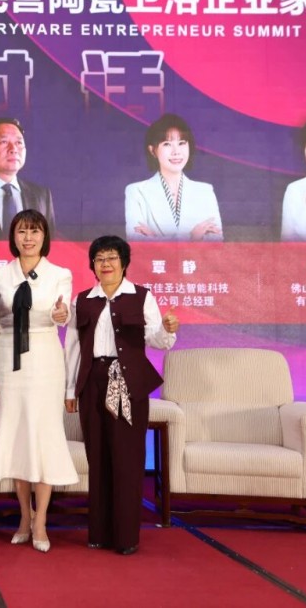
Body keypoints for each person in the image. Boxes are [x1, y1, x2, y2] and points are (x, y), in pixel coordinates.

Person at [64, 235, 178, 556]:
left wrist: (168, 329)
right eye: (99, 259)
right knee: (97, 455)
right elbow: (73, 347)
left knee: (127, 458)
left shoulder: (141, 297)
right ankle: (99, 532)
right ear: (93, 265)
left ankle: (126, 536)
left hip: (126, 382)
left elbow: (158, 340)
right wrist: (70, 389)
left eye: (112, 257)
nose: (106, 264)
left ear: (124, 262)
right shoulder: (82, 300)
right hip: (92, 383)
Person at [0, 209, 77, 553]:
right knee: (17, 436)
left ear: (44, 236)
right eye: (22, 231)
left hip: (45, 359)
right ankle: (24, 516)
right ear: (13, 237)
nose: (28, 238)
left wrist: (61, 314)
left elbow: (62, 312)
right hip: (9, 363)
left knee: (43, 435)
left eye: (34, 231)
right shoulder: (0, 275)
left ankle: (41, 521)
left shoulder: (60, 274)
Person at [125, 113, 222, 241]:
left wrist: (155, 239)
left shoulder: (205, 191)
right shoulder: (136, 191)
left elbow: (216, 241)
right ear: (153, 150)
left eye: (182, 143)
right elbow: (136, 240)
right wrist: (191, 238)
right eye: (167, 144)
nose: (176, 152)